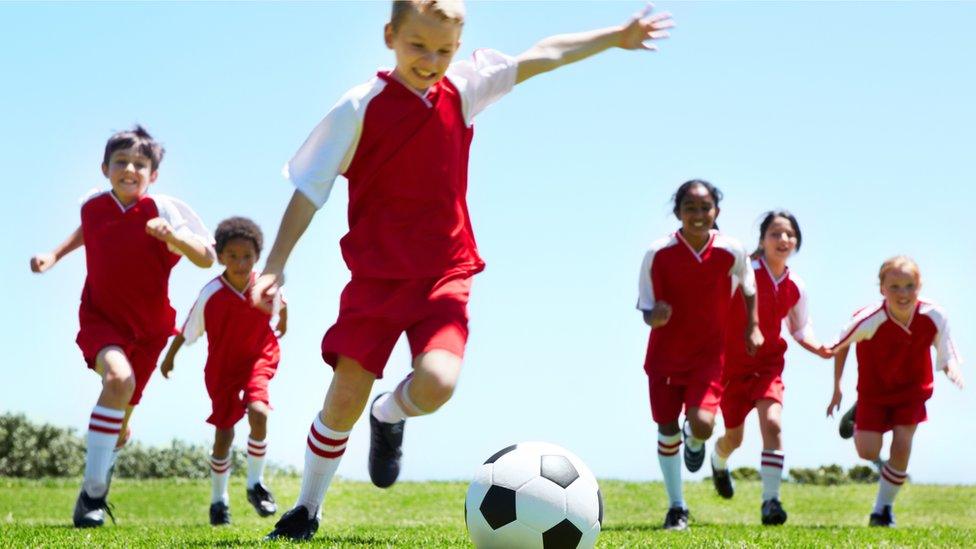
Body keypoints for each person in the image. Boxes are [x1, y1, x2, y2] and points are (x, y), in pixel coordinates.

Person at [252, 0, 676, 540]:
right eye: (418, 46)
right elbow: (309, 191)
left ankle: (389, 414)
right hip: (376, 279)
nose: (431, 60)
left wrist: (615, 36)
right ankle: (306, 510)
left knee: (436, 384)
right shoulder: (359, 107)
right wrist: (276, 266)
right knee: (344, 394)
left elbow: (542, 55)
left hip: (445, 274)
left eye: (444, 50)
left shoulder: (465, 88)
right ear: (390, 36)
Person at [30, 125, 214, 528]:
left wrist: (175, 239)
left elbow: (206, 257)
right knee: (117, 379)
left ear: (153, 174)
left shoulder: (164, 212)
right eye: (121, 161)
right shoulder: (93, 207)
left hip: (149, 331)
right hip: (101, 319)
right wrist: (54, 255)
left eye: (140, 163)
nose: (129, 168)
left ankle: (104, 465)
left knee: (123, 416)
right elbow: (88, 230)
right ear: (105, 167)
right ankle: (91, 496)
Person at [636, 179, 762, 531]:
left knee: (703, 425)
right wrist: (654, 316)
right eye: (690, 208)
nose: (698, 214)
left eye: (705, 208)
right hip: (664, 355)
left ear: (716, 212)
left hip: (709, 355)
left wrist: (752, 325)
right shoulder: (657, 253)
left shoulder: (730, 250)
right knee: (666, 427)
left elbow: (749, 286)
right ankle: (677, 507)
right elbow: (645, 306)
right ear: (677, 213)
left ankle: (695, 442)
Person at [160, 217, 286, 526]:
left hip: (259, 358)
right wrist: (169, 358)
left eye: (248, 256)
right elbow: (188, 329)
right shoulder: (211, 294)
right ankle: (219, 502)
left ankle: (255, 484)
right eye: (233, 256)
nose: (241, 263)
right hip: (222, 370)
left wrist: (284, 321)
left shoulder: (265, 287)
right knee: (224, 435)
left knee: (259, 412)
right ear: (220, 257)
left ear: (257, 256)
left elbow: (282, 305)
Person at [708, 211, 832, 525]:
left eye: (789, 234)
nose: (783, 240)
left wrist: (818, 347)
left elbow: (800, 328)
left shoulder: (796, 286)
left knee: (773, 425)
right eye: (775, 233)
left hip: (768, 367)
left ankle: (770, 503)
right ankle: (718, 462)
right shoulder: (745, 272)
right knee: (732, 439)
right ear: (762, 240)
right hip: (731, 370)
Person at [827, 256, 964, 527]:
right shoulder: (868, 319)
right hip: (874, 393)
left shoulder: (934, 315)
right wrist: (837, 387)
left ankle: (882, 511)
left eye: (909, 286)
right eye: (895, 287)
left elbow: (946, 351)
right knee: (867, 451)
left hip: (912, 392)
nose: (903, 293)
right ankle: (858, 417)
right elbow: (839, 345)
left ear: (920, 285)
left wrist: (952, 369)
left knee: (902, 447)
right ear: (882, 289)